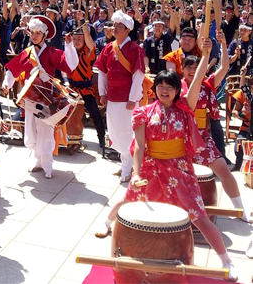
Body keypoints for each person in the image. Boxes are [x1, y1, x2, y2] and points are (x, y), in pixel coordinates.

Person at [95, 40, 239, 281]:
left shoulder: (185, 108)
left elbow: (197, 81)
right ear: (155, 89)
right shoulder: (143, 112)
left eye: (169, 87)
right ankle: (108, 222)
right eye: (160, 86)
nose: (164, 90)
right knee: (128, 199)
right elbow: (140, 146)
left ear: (176, 91)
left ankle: (227, 261)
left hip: (179, 169)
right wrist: (138, 174)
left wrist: (204, 55)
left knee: (199, 217)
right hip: (150, 168)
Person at [182, 32, 252, 223]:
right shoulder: (176, 87)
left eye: (197, 68)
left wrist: (222, 44)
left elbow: (225, 67)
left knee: (225, 172)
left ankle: (240, 209)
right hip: (182, 140)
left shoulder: (207, 84)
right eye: (189, 68)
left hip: (204, 139)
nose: (193, 71)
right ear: (182, 69)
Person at [1, 14, 78, 178]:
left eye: (37, 33)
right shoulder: (26, 52)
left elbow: (71, 65)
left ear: (44, 35)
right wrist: (7, 83)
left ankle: (47, 165)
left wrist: (70, 46)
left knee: (45, 130)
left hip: (48, 98)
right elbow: (12, 70)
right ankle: (37, 161)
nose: (34, 35)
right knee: (31, 130)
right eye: (32, 32)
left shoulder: (52, 52)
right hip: (30, 97)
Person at [94, 10, 146, 183]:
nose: (115, 29)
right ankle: (126, 164)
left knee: (127, 132)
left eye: (119, 27)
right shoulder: (109, 47)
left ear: (127, 30)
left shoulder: (135, 49)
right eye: (114, 26)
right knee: (115, 131)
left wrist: (133, 98)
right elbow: (102, 71)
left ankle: (128, 168)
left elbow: (138, 75)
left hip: (127, 98)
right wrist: (102, 93)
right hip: (112, 97)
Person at [67, 22, 105, 148]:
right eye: (75, 39)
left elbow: (89, 41)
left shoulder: (88, 52)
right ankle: (66, 137)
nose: (77, 41)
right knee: (65, 114)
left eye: (79, 39)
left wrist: (84, 27)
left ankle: (102, 139)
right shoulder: (69, 51)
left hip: (85, 88)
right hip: (71, 89)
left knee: (95, 115)